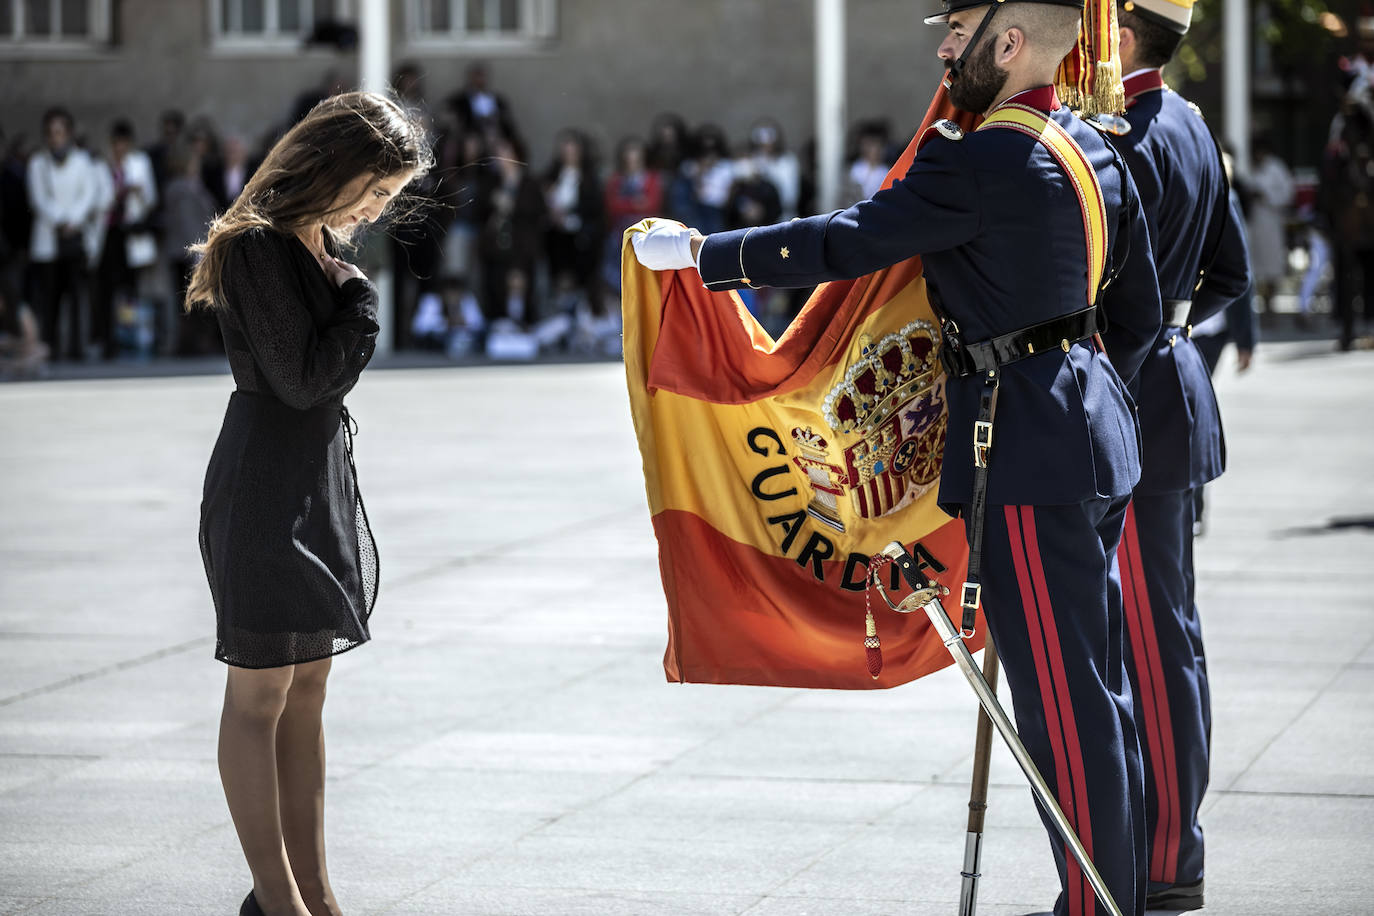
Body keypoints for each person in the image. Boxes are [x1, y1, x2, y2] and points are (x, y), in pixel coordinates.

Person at [633, 1, 1163, 912]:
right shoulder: (1094, 147)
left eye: (958, 34)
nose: (945, 51)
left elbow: (850, 239)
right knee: (1096, 684)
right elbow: (1141, 315)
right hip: (1092, 431)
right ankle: (1120, 892)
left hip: (1027, 448)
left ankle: (1097, 907)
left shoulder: (983, 156)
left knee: (1060, 704)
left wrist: (704, 254)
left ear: (1008, 44)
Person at [184, 90, 431, 916]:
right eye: (375, 190)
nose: (375, 209)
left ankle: (316, 895)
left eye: (388, 198)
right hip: (262, 481)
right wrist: (361, 302)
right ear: (333, 164)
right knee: (259, 691)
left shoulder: (316, 241)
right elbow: (301, 379)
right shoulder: (257, 245)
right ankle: (277, 900)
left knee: (309, 685)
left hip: (314, 476)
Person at [1103, 2, 1254, 909]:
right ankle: (1168, 849)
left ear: (1121, 38)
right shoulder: (1194, 124)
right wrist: (1174, 330)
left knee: (1154, 643)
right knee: (1169, 632)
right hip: (1172, 387)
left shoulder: (1114, 134)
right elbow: (1229, 271)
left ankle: (1167, 859)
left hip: (1129, 402)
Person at [27, 107, 100, 361]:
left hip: (74, 240)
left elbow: (88, 194)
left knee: (77, 297)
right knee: (49, 299)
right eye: (50, 132)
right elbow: (38, 198)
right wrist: (60, 219)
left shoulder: (82, 161)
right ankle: (50, 346)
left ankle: (76, 347)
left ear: (68, 133)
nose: (55, 137)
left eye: (59, 132)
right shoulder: (38, 163)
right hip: (48, 242)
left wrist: (72, 221)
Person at [94, 119, 158, 360]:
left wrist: (138, 193)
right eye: (116, 143)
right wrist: (118, 192)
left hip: (131, 233)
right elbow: (98, 200)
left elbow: (151, 198)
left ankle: (131, 339)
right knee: (106, 290)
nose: (120, 148)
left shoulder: (140, 163)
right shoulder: (103, 166)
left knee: (131, 290)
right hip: (109, 235)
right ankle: (108, 340)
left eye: (123, 143)